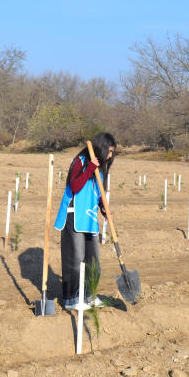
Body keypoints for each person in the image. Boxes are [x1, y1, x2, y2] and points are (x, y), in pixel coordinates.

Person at [53, 132, 116, 310]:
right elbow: (74, 186)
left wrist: (105, 210)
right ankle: (71, 299)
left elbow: (98, 194)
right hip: (74, 215)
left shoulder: (101, 168)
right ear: (102, 148)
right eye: (109, 151)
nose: (111, 155)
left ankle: (89, 295)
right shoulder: (81, 161)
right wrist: (89, 169)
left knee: (93, 261)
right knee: (75, 259)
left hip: (89, 218)